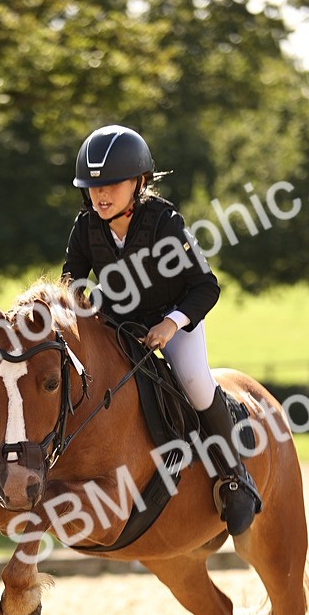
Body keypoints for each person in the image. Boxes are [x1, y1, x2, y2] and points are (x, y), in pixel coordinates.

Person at [61, 123, 261, 536]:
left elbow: (206, 286)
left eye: (113, 184)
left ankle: (235, 477)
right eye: (94, 186)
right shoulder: (85, 229)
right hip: (117, 326)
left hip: (173, 320)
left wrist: (171, 325)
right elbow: (71, 286)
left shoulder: (165, 222)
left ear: (138, 182)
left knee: (195, 384)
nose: (101, 195)